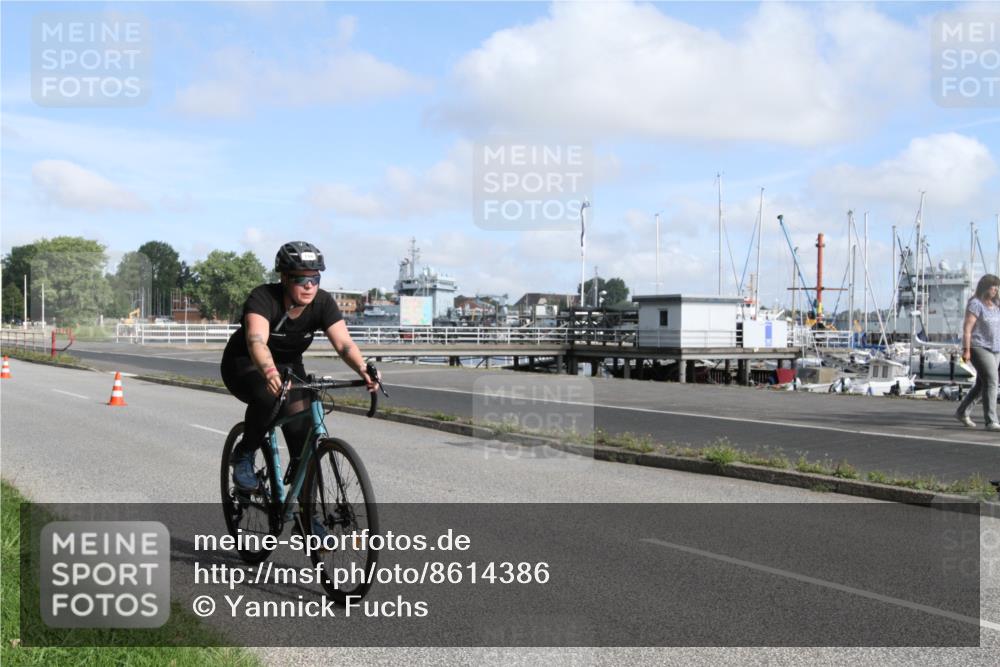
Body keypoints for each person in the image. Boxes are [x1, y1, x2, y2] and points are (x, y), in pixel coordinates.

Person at [221, 241, 376, 495]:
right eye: (300, 279)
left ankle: (308, 517)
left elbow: (344, 343)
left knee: (304, 444)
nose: (309, 286)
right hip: (246, 363)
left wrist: (363, 369)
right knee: (270, 397)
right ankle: (244, 453)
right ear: (284, 278)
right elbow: (256, 341)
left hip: (290, 366)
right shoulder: (263, 298)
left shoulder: (323, 303)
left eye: (314, 279)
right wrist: (270, 373)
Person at [955, 274, 1000, 431]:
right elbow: (967, 329)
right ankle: (991, 421)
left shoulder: (996, 304)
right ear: (985, 287)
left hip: (996, 349)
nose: (995, 289)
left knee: (982, 384)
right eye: (992, 286)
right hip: (978, 346)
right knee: (992, 381)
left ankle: (962, 412)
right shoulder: (975, 304)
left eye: (997, 286)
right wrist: (966, 350)